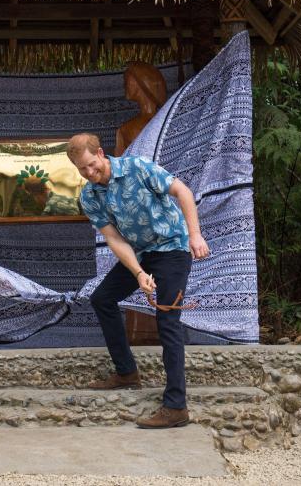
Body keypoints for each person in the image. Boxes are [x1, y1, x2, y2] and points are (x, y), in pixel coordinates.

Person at [67, 132, 210, 429]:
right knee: (102, 299)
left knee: (167, 318)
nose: (91, 173)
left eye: (93, 165)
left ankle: (176, 406)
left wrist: (195, 234)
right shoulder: (89, 197)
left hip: (172, 248)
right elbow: (114, 239)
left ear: (101, 153)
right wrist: (139, 273)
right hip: (142, 254)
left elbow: (182, 191)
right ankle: (126, 372)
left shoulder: (138, 168)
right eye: (83, 170)